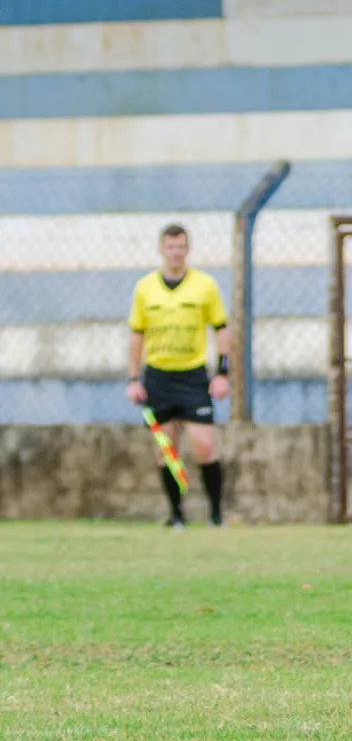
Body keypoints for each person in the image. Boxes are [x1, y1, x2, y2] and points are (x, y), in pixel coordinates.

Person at [125, 223, 229, 528]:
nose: (175, 252)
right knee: (166, 449)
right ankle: (176, 515)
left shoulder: (205, 286)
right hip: (157, 377)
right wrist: (133, 379)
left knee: (204, 445)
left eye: (180, 246)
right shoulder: (145, 288)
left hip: (193, 376)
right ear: (162, 249)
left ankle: (216, 515)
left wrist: (223, 372)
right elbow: (136, 334)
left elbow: (222, 329)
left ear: (188, 249)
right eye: (170, 247)